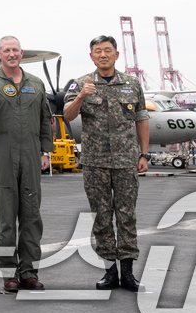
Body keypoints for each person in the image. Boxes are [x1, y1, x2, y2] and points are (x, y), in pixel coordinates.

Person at [62, 35, 149, 292]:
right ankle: (109, 271)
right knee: (101, 216)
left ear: (116, 55)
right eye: (98, 51)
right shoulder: (80, 84)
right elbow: (66, 115)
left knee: (126, 215)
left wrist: (144, 154)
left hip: (125, 161)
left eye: (107, 51)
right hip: (95, 162)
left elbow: (141, 119)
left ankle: (129, 273)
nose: (103, 55)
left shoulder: (132, 84)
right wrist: (80, 97)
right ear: (91, 56)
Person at [0, 35, 54, 292]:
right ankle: (9, 273)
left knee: (31, 217)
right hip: (1, 154)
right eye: (6, 50)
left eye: (15, 49)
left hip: (30, 154)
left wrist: (45, 152)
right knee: (5, 219)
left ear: (21, 52)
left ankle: (29, 272)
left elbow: (44, 121)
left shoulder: (36, 84)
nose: (11, 54)